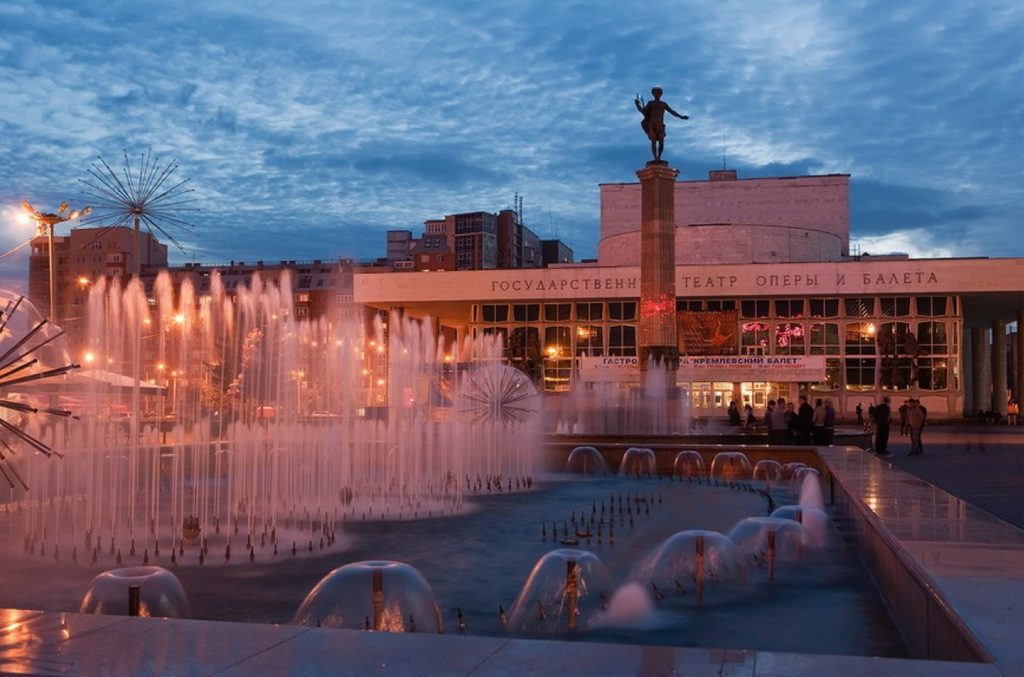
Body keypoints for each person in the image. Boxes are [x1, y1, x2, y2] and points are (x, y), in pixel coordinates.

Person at [634, 87, 689, 162]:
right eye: (656, 93)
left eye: (659, 93)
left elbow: (672, 111)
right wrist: (638, 105)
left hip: (660, 125)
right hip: (652, 124)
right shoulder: (651, 103)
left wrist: (681, 116)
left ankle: (659, 157)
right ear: (653, 94)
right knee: (653, 142)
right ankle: (656, 158)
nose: (657, 94)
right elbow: (644, 112)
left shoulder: (663, 104)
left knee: (661, 143)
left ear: (661, 94)